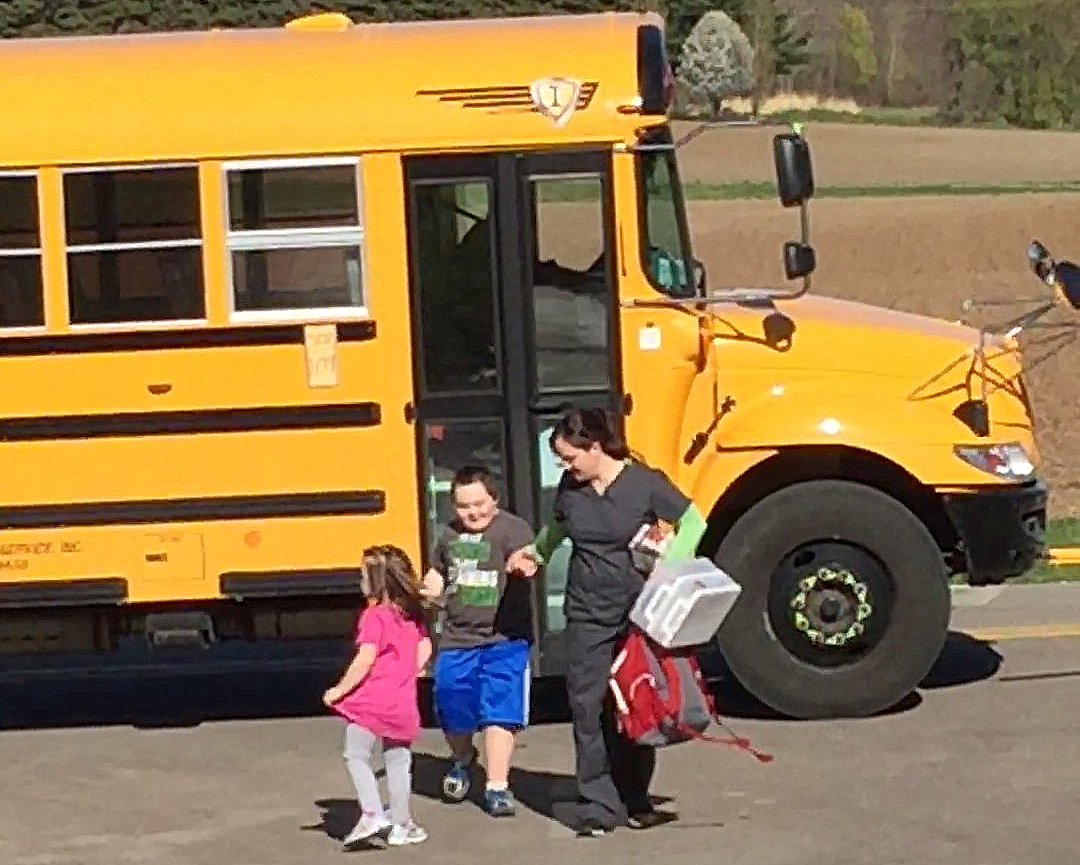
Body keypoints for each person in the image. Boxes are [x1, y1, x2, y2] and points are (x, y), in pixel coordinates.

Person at [506, 407, 707, 837]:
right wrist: (535, 554)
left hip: (638, 613)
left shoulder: (643, 483)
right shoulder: (571, 488)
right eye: (561, 460)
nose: (565, 467)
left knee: (635, 703)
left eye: (569, 458)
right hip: (587, 612)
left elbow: (693, 522)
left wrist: (669, 568)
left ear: (594, 447)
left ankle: (636, 798)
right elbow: (556, 530)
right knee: (586, 705)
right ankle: (599, 803)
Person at [420, 466, 537, 817]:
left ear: (494, 499)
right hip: (457, 639)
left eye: (479, 504)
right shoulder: (449, 535)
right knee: (452, 705)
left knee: (499, 712)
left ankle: (497, 786)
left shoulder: (512, 529)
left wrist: (523, 563)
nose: (472, 512)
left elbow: (526, 554)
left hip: (505, 639)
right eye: (463, 506)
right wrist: (431, 587)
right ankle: (462, 757)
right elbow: (439, 571)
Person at [323, 545, 432, 848]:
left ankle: (371, 811)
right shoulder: (411, 614)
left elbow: (365, 659)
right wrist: (415, 669)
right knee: (398, 760)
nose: (359, 582)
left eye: (362, 575)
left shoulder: (375, 616)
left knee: (355, 754)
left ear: (376, 581)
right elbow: (425, 647)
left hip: (373, 701)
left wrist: (339, 690)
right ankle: (402, 823)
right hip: (402, 701)